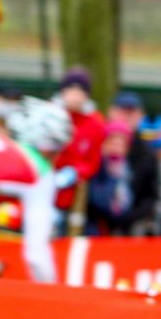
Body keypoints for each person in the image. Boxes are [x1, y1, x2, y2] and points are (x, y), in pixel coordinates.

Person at [0, 97, 72, 282]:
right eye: (58, 149)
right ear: (47, 145)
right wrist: (51, 298)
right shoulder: (38, 170)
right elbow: (36, 257)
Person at [86, 119, 159, 235]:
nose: (116, 148)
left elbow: (149, 196)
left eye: (121, 144)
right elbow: (95, 198)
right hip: (100, 226)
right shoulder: (97, 167)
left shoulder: (135, 167)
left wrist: (131, 216)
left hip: (130, 225)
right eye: (112, 143)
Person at [52, 67, 105, 224]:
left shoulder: (95, 123)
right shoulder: (50, 115)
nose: (75, 95)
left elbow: (93, 161)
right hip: (47, 186)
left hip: (77, 193)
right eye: (71, 89)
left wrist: (76, 172)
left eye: (80, 90)